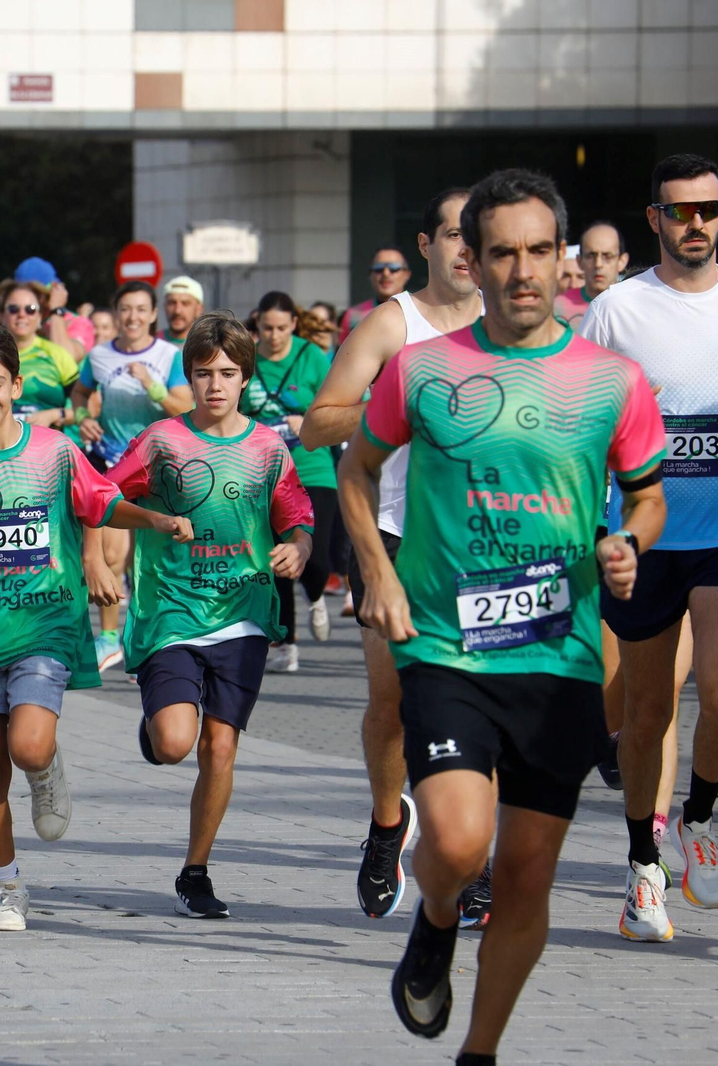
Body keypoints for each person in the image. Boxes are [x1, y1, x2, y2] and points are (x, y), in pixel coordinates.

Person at [337, 168, 668, 1059]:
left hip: (558, 655)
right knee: (455, 837)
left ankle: (478, 1051)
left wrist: (628, 543)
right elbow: (356, 467)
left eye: (537, 250)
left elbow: (647, 497)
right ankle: (437, 913)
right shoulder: (423, 369)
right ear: (471, 263)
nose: (522, 269)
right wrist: (379, 569)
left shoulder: (612, 382)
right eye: (501, 253)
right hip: (447, 645)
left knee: (525, 875)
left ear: (564, 261)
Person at [0, 323, 193, 930]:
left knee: (27, 746)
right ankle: (8, 885)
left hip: (46, 623)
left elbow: (100, 502)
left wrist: (152, 520)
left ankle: (45, 768)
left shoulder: (53, 449)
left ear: (17, 384)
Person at [580, 154, 718, 943]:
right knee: (645, 715)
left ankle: (697, 819)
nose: (696, 224)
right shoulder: (615, 310)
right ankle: (643, 867)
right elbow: (585, 411)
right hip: (645, 538)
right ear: (655, 220)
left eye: (707, 210)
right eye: (680, 212)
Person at [302, 188, 483, 922]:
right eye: (451, 235)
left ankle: (474, 864)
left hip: (487, 538)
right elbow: (318, 425)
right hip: (396, 531)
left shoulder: (517, 323)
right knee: (394, 702)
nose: (466, 248)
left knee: (482, 706)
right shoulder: (392, 323)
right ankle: (387, 824)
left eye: (479, 235)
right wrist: (395, 405)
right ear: (425, 245)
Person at [110, 310, 313, 917]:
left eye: (228, 372)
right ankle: (155, 728)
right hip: (170, 608)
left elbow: (297, 514)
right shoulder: (163, 441)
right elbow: (104, 497)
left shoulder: (266, 446)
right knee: (176, 743)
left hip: (244, 610)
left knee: (219, 747)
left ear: (246, 376)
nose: (216, 385)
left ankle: (195, 872)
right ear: (189, 378)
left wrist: (297, 548)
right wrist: (142, 530)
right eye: (203, 373)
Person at [72, 282, 194, 671]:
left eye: (141, 309)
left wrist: (152, 385)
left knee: (150, 560)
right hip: (112, 464)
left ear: (153, 314)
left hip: (159, 466)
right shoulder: (99, 355)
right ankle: (108, 637)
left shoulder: (168, 355)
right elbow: (78, 395)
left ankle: (152, 638)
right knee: (111, 552)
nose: (133, 317)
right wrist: (83, 418)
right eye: (126, 309)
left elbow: (185, 406)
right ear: (116, 313)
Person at [244, 291, 337, 671]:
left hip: (313, 468)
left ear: (294, 325)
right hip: (266, 472)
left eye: (282, 328)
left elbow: (343, 402)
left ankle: (316, 597)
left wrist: (310, 419)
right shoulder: (247, 359)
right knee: (279, 556)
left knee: (316, 558)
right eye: (266, 328)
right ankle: (287, 641)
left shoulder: (310, 356)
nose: (274, 336)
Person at [0, 282, 82, 437]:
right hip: (1, 451)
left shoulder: (57, 354)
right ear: (2, 315)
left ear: (40, 316)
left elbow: (88, 408)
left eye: (30, 309)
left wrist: (55, 415)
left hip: (49, 450)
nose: (22, 314)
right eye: (14, 309)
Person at [554, 222, 628, 330]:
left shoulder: (635, 306)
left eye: (607, 256)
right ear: (579, 261)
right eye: (591, 256)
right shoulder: (556, 308)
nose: (598, 264)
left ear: (622, 261)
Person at [12, 257, 87, 359]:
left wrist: (56, 309)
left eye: (38, 293)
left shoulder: (77, 322)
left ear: (55, 290)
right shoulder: (14, 321)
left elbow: (66, 359)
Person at [338, 248, 412, 344]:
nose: (385, 273)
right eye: (379, 268)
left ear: (407, 274)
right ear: (370, 274)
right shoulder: (353, 316)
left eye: (393, 268)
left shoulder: (419, 311)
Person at [159, 276, 204, 349]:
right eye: (172, 303)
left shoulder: (207, 346)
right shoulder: (150, 344)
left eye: (185, 303)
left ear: (199, 309)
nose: (177, 311)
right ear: (165, 306)